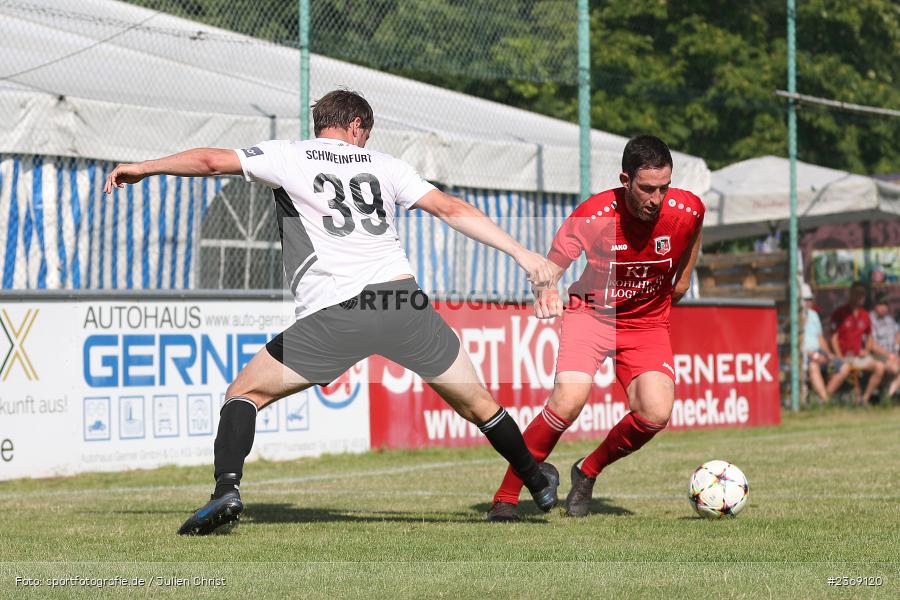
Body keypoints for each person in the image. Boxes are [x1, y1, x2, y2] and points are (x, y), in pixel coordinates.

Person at [105, 89, 559, 535]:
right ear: (357, 125)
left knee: (243, 393)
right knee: (479, 405)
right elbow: (450, 208)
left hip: (340, 311)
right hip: (403, 303)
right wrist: (522, 254)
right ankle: (537, 483)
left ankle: (226, 490)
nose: (365, 141)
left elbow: (209, 161)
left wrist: (146, 167)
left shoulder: (289, 155)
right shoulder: (386, 165)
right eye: (366, 132)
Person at [487, 135, 703, 521]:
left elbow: (695, 226)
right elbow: (549, 269)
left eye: (664, 188)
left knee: (655, 413)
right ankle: (505, 498)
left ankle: (587, 471)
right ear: (625, 180)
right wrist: (545, 291)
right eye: (647, 189)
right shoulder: (593, 215)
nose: (657, 199)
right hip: (591, 315)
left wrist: (684, 278)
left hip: (646, 323)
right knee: (568, 401)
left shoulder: (686, 209)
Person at [827, 281, 884, 405]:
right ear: (851, 294)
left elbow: (870, 336)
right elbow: (833, 338)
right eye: (858, 293)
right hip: (842, 356)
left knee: (879, 367)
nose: (861, 297)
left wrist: (867, 350)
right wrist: (839, 356)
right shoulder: (840, 313)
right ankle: (824, 400)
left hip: (858, 357)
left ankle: (864, 399)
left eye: (863, 294)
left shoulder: (865, 315)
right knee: (843, 368)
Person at [801, 282, 845, 403]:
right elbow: (797, 344)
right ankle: (825, 400)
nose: (808, 303)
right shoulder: (795, 318)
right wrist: (813, 355)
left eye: (809, 299)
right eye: (805, 300)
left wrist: (829, 354)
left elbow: (820, 338)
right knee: (813, 366)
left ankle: (824, 398)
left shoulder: (813, 315)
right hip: (804, 357)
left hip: (819, 354)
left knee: (842, 366)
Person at [869, 294, 900, 398]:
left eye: (886, 304)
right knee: (895, 368)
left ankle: (887, 396)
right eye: (881, 304)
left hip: (893, 355)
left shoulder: (889, 319)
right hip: (877, 356)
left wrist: (897, 350)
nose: (884, 307)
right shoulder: (870, 320)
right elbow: (872, 345)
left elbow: (897, 334)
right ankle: (886, 396)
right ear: (875, 305)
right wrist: (889, 355)